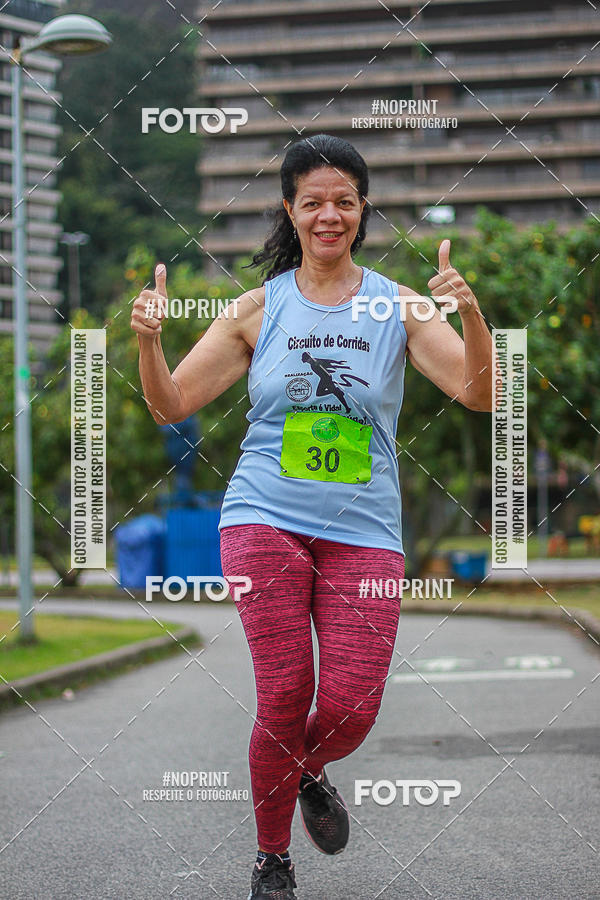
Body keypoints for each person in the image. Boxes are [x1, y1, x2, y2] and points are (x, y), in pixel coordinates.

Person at [131, 133, 493, 899]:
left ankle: (310, 769)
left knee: (354, 706)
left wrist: (474, 320)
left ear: (362, 212)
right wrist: (148, 342)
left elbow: (480, 394)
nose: (329, 214)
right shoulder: (257, 309)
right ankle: (272, 858)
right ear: (290, 211)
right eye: (313, 202)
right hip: (264, 515)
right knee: (285, 693)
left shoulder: (400, 304)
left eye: (345, 201)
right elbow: (170, 405)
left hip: (364, 530)